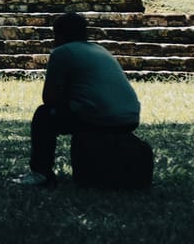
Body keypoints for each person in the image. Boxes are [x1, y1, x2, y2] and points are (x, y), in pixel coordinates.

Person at [18, 12, 141, 186]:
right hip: (130, 117)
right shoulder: (100, 49)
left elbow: (49, 98)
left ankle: (41, 172)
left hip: (100, 117)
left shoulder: (63, 52)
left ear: (58, 34)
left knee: (44, 115)